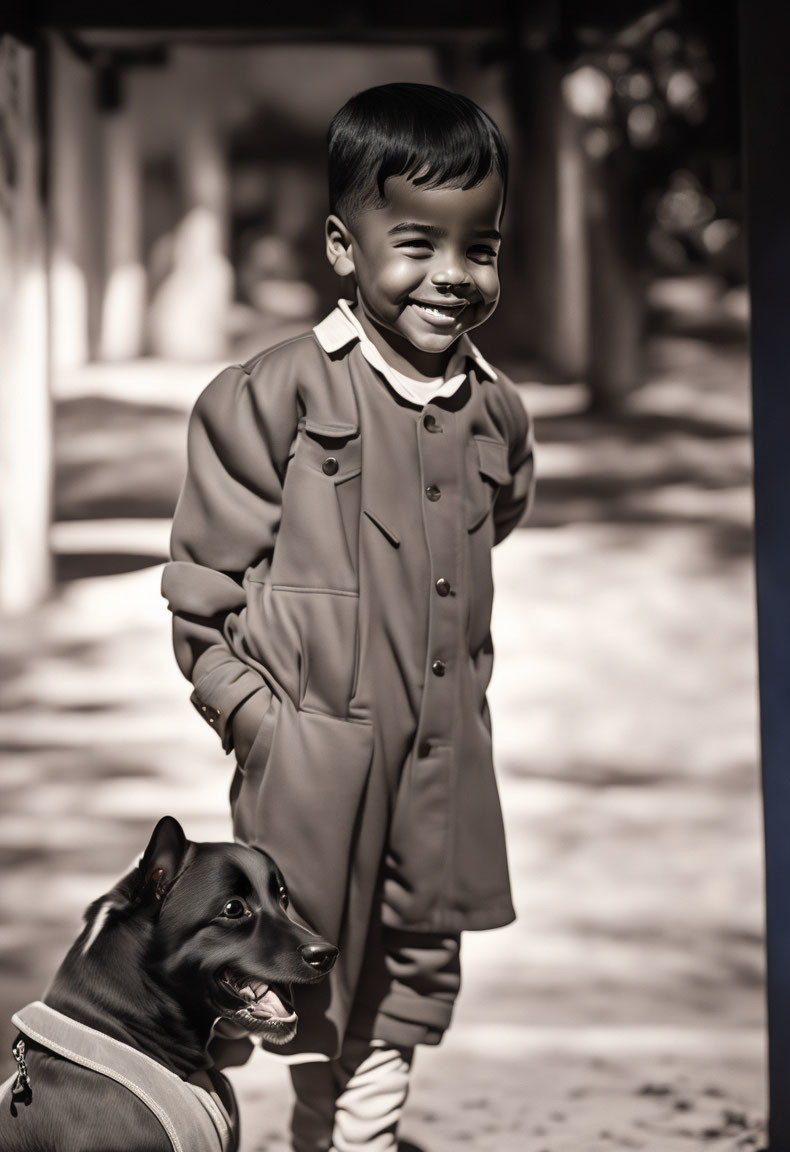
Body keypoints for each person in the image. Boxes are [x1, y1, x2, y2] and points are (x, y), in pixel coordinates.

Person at [161, 82, 535, 1151]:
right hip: (312, 763)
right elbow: (201, 591)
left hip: (442, 762)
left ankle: (351, 1138)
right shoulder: (267, 398)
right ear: (342, 245)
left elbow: (495, 518)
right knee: (301, 978)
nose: (454, 277)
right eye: (418, 243)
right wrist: (260, 724)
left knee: (409, 973)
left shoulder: (495, 411)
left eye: (483, 248)